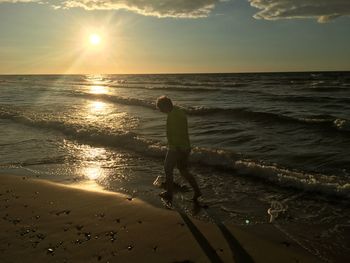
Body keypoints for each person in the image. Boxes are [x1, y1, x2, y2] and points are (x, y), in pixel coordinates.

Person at [156, 95, 201, 202]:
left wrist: (178, 148)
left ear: (165, 105)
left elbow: (178, 133)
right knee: (183, 171)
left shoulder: (174, 115)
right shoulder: (177, 112)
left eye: (161, 108)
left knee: (168, 168)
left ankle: (169, 193)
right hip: (182, 146)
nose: (161, 111)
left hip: (177, 148)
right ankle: (197, 191)